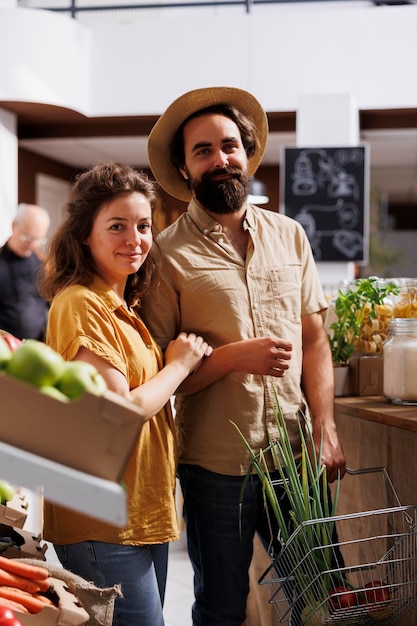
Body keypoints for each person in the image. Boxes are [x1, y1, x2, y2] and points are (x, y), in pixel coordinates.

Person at [143, 86, 347, 626]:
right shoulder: (163, 254)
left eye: (229, 145)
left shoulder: (290, 235)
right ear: (185, 169)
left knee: (319, 596)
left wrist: (325, 427)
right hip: (215, 466)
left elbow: (314, 341)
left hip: (294, 456)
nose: (220, 159)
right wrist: (232, 358)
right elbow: (165, 378)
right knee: (221, 608)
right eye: (202, 151)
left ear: (246, 151)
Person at [40, 162, 211, 626]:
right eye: (116, 226)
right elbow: (119, 411)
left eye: (142, 226)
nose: (134, 239)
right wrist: (179, 364)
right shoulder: (79, 303)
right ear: (83, 235)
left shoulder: (122, 306)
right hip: (102, 520)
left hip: (138, 511)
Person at [0, 203, 50, 340]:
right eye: (27, 238)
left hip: (38, 346)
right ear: (13, 225)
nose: (32, 245)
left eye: (38, 239)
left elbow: (52, 303)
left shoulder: (44, 264)